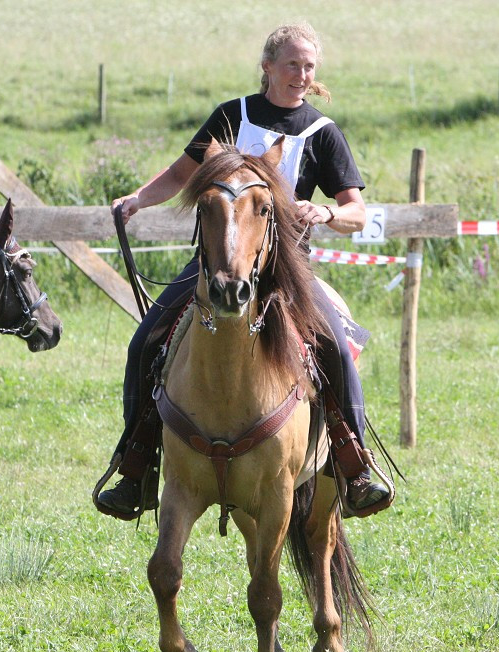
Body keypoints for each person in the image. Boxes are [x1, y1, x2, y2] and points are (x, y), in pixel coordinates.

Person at [95, 22, 394, 522]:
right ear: (268, 67)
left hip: (288, 269)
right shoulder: (231, 117)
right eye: (292, 64)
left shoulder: (323, 133)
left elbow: (357, 212)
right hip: (215, 262)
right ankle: (136, 464)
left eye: (309, 66)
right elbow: (180, 173)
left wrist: (326, 213)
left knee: (337, 349)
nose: (301, 74)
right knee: (145, 341)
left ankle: (353, 462)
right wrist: (138, 201)